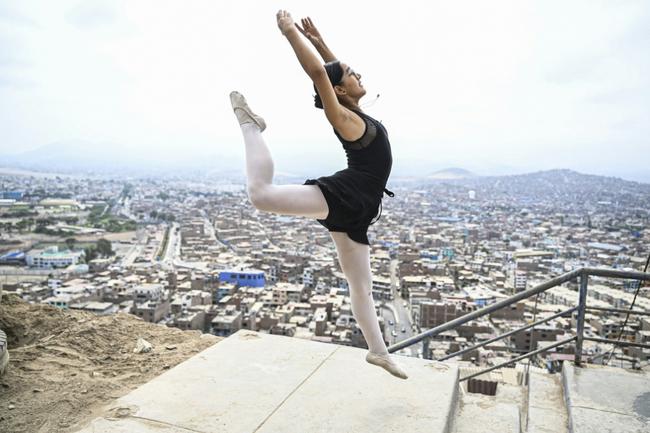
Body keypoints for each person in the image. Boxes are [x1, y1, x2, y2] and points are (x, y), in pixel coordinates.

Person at [229, 10, 406, 380]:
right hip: (345, 195)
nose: (361, 76)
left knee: (361, 287)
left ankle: (378, 352)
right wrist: (290, 33)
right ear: (340, 90)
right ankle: (251, 125)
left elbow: (334, 70)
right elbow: (321, 74)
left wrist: (320, 40)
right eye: (354, 75)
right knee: (260, 195)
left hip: (358, 211)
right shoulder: (344, 118)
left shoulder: (357, 111)